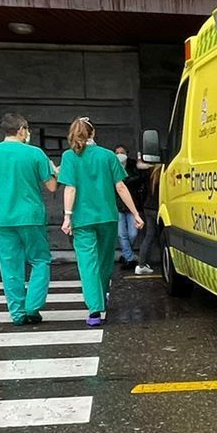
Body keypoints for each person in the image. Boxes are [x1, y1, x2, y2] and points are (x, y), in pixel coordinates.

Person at [57, 116, 145, 328]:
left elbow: (70, 188)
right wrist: (135, 213)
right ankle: (102, 294)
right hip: (107, 216)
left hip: (82, 219)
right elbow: (121, 187)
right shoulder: (108, 156)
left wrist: (67, 216)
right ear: (93, 133)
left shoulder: (69, 157)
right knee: (105, 260)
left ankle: (94, 309)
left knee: (87, 263)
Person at [0, 113, 58, 325]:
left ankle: (18, 313)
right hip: (31, 216)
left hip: (3, 217)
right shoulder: (35, 153)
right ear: (21, 129)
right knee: (40, 260)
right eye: (27, 130)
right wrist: (55, 171)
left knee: (10, 266)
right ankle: (32, 306)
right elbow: (52, 187)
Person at [118, 145, 152, 271]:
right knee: (121, 234)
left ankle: (127, 255)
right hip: (118, 205)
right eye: (117, 152)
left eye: (122, 152)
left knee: (132, 234)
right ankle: (129, 257)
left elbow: (139, 178)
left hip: (133, 204)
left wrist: (124, 180)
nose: (120, 154)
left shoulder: (133, 166)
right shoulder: (112, 165)